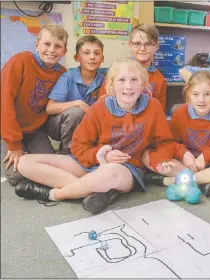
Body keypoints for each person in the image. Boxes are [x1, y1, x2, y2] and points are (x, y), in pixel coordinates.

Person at [15, 58, 174, 214]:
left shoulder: (153, 106)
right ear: (111, 85)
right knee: (24, 162)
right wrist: (102, 155)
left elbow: (164, 142)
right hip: (91, 163)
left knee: (110, 172)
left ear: (143, 84)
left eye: (134, 80)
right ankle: (89, 189)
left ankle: (54, 194)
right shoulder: (99, 107)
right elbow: (78, 146)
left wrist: (160, 161)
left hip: (125, 170)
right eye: (121, 80)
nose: (128, 86)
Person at [144, 71, 210, 197]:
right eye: (196, 94)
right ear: (189, 94)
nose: (201, 100)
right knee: (147, 155)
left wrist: (206, 157)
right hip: (187, 165)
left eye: (207, 94)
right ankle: (206, 181)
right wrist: (184, 154)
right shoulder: (180, 113)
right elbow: (170, 142)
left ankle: (176, 181)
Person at [1, 24, 68, 186]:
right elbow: (4, 102)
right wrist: (14, 144)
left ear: (64, 52)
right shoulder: (20, 61)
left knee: (51, 166)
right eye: (47, 44)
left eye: (58, 46)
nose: (52, 50)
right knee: (16, 177)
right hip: (8, 128)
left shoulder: (62, 73)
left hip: (34, 130)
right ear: (36, 45)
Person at [46, 35, 105, 154]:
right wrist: (78, 103)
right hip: (58, 127)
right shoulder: (67, 77)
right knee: (76, 112)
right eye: (86, 53)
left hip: (88, 126)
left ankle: (89, 149)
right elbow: (50, 108)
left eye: (97, 53)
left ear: (102, 58)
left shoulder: (105, 80)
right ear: (77, 57)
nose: (92, 57)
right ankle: (69, 152)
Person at [99, 24, 167, 111]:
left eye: (148, 44)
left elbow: (159, 112)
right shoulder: (116, 71)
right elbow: (102, 103)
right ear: (130, 44)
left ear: (156, 46)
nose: (142, 48)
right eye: (137, 43)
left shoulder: (160, 79)